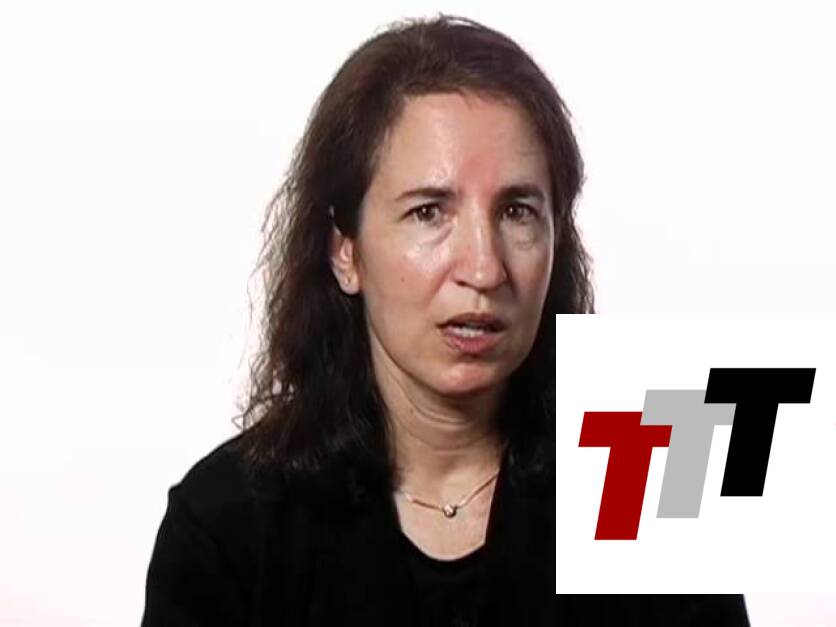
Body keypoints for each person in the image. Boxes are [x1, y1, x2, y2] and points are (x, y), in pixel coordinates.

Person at [141, 15, 748, 626]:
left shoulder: (657, 483)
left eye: (517, 211)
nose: (484, 269)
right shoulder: (227, 527)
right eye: (429, 212)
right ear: (345, 251)